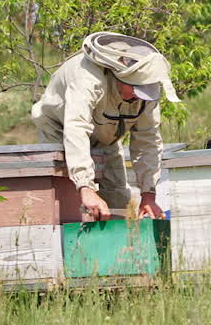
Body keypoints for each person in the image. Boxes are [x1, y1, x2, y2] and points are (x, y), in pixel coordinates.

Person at [30, 31, 178, 222]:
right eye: (136, 90)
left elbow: (147, 140)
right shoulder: (87, 79)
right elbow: (76, 127)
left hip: (106, 137)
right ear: (118, 76)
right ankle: (73, 249)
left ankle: (116, 250)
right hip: (59, 130)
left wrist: (149, 193)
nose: (139, 96)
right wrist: (85, 187)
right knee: (70, 204)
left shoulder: (146, 90)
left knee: (118, 200)